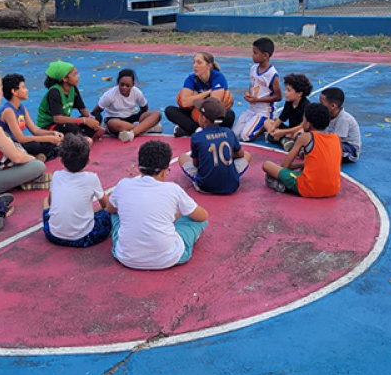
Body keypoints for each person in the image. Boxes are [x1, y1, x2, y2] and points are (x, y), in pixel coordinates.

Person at [106, 140, 209, 270]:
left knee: (115, 214)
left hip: (126, 257)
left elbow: (110, 209)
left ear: (139, 168)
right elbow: (203, 216)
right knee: (197, 220)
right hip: (168, 258)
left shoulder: (123, 185)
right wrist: (178, 214)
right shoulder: (173, 189)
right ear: (164, 172)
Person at [42, 134, 111, 247]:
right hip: (83, 238)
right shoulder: (91, 178)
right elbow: (106, 205)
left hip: (53, 235)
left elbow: (50, 202)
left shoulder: (57, 175)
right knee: (110, 212)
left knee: (45, 201)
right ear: (88, 160)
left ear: (61, 161)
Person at [262, 103, 342, 197]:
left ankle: (284, 186)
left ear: (308, 124)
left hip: (309, 188)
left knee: (267, 165)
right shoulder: (336, 138)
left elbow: (285, 166)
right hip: (333, 189)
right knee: (302, 169)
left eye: (303, 120)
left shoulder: (306, 137)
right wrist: (303, 164)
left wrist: (296, 166)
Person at [178, 97, 251, 194]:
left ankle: (204, 180)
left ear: (204, 119)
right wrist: (225, 155)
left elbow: (196, 164)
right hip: (231, 186)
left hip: (205, 186)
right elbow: (241, 154)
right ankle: (228, 175)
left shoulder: (197, 137)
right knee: (247, 154)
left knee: (182, 157)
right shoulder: (229, 132)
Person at [165, 51, 235, 137]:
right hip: (195, 113)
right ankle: (198, 130)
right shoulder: (191, 78)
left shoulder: (218, 77)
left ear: (209, 65)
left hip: (211, 116)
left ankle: (190, 129)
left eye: (199, 63)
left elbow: (213, 104)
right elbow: (184, 102)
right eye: (194, 62)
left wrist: (194, 98)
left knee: (229, 115)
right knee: (170, 110)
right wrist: (207, 93)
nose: (195, 65)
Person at [0, 73, 63, 162]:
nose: (27, 90)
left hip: (20, 144)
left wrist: (52, 133)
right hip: (12, 147)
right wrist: (48, 138)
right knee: (35, 145)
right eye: (23, 87)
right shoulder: (8, 111)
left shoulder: (22, 108)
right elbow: (20, 139)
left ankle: (39, 157)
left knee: (48, 143)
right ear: (14, 91)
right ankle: (37, 157)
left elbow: (35, 130)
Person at [35, 61, 104, 142]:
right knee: (70, 127)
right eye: (75, 75)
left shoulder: (72, 88)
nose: (78, 77)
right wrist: (84, 120)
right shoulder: (54, 92)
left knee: (96, 115)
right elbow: (58, 119)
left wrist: (92, 120)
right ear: (65, 79)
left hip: (65, 122)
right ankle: (82, 139)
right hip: (51, 126)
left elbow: (82, 109)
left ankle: (82, 137)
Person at [92, 68, 163, 143]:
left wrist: (141, 116)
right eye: (121, 84)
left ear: (133, 85)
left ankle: (132, 133)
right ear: (118, 83)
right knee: (113, 124)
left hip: (131, 118)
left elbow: (144, 107)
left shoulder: (136, 92)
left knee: (157, 114)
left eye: (127, 85)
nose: (124, 88)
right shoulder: (109, 95)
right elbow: (96, 111)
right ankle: (144, 128)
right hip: (115, 120)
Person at [232, 37, 282, 142]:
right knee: (235, 134)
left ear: (265, 55)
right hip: (252, 108)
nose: (252, 55)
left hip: (264, 111)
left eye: (255, 53)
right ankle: (256, 124)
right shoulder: (253, 68)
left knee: (246, 137)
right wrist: (248, 93)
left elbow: (278, 97)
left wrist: (257, 100)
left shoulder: (272, 74)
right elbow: (252, 86)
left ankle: (265, 126)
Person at [264, 73, 313, 151]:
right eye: (285, 90)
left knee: (299, 134)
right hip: (290, 130)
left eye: (289, 90)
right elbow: (281, 118)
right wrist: (273, 128)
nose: (285, 92)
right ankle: (283, 139)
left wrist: (282, 132)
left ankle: (280, 138)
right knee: (267, 122)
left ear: (299, 93)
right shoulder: (289, 102)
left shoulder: (305, 105)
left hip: (298, 130)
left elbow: (302, 126)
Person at [319, 87, 362, 163]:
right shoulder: (327, 115)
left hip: (349, 148)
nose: (319, 106)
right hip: (334, 143)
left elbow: (335, 141)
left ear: (333, 106)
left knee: (324, 151)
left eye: (322, 103)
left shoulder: (343, 119)